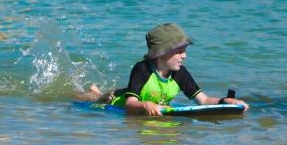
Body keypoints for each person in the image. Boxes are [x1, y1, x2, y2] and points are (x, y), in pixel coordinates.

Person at [85, 23, 249, 115]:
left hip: (154, 106)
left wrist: (224, 101)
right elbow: (130, 103)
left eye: (185, 51)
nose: (184, 56)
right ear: (161, 53)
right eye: (179, 51)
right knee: (92, 100)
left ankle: (96, 91)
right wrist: (146, 105)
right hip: (116, 103)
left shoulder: (180, 73)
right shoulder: (142, 69)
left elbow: (204, 101)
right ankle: (94, 94)